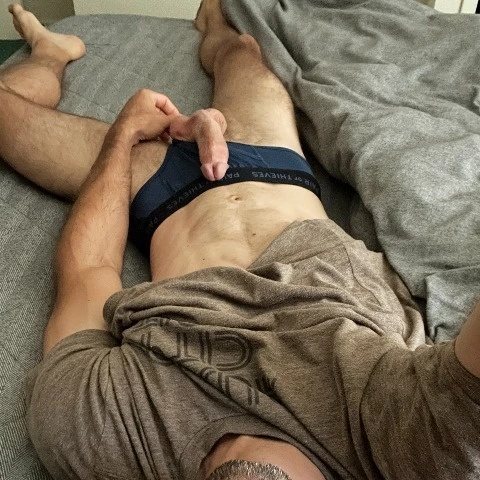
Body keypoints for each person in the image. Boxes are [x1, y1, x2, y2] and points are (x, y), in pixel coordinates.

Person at [1, 1, 479, 480]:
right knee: (241, 49)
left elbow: (88, 269)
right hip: (276, 163)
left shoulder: (99, 434)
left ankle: (50, 52)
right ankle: (210, 11)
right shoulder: (414, 444)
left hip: (154, 188)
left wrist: (124, 136)